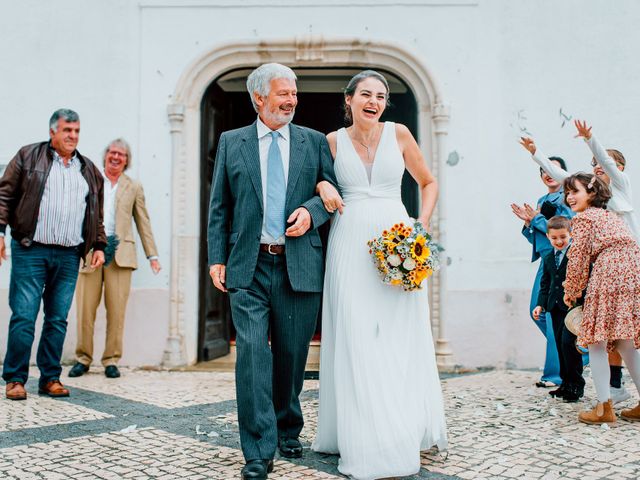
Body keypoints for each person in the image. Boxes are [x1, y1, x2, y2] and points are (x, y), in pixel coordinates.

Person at [311, 70, 447, 479]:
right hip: (349, 243)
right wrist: (322, 186)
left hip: (397, 238)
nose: (374, 101)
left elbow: (428, 182)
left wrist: (419, 225)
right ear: (349, 100)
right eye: (366, 94)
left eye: (381, 96)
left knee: (399, 335)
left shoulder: (400, 134)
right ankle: (360, 433)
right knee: (354, 336)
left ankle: (402, 426)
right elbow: (314, 179)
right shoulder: (331, 142)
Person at [207, 63, 338, 480]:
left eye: (295, 93)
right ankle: (258, 451)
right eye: (284, 93)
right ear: (258, 98)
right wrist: (216, 257)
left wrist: (311, 212)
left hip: (299, 263)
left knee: (291, 355)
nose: (292, 100)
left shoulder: (314, 142)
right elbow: (219, 206)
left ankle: (287, 426)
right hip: (249, 264)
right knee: (251, 356)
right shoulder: (232, 141)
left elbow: (332, 192)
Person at [520, 122, 635, 403]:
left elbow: (579, 258)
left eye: (603, 164)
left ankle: (605, 400)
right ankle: (615, 388)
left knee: (605, 336)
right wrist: (538, 156)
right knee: (619, 336)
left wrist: (590, 138)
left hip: (619, 268)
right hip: (614, 267)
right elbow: (567, 178)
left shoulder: (619, 187)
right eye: (593, 164)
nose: (598, 166)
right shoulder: (594, 205)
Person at [0, 108, 106, 401]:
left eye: (76, 131)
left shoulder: (88, 169)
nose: (73, 136)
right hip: (30, 250)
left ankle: (49, 377)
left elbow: (96, 214)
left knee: (57, 319)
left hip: (69, 255)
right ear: (52, 132)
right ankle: (15, 379)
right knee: (24, 315)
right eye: (67, 131)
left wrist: (98, 245)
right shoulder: (27, 156)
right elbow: (4, 195)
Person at [69, 138, 160, 379]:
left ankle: (111, 359)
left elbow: (143, 221)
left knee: (117, 311)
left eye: (121, 154)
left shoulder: (134, 187)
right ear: (106, 156)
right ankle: (83, 358)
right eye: (112, 152)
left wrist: (152, 254)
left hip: (121, 254)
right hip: (90, 252)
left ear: (126, 160)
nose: (116, 157)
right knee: (85, 310)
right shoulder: (90, 180)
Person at [562, 173, 640, 424]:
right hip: (631, 272)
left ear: (592, 194)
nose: (569, 197)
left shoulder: (584, 219)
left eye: (575, 192)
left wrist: (571, 292)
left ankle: (603, 407)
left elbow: (578, 258)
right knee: (625, 342)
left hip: (609, 272)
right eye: (568, 193)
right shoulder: (610, 216)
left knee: (596, 340)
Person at [511, 157, 572, 388]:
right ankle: (577, 353)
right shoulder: (541, 199)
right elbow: (539, 236)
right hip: (546, 261)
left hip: (562, 262)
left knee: (551, 314)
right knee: (537, 312)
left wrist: (536, 219)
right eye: (543, 170)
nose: (548, 173)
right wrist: (528, 224)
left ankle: (555, 374)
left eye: (552, 169)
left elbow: (566, 228)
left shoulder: (568, 197)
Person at [532, 216, 585, 402]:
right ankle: (565, 383)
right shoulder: (548, 256)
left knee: (569, 345)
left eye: (563, 237)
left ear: (571, 234)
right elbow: (545, 283)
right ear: (548, 236)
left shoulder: (576, 255)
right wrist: (540, 304)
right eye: (554, 238)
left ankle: (576, 385)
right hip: (553, 307)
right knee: (560, 347)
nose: (559, 241)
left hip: (571, 308)